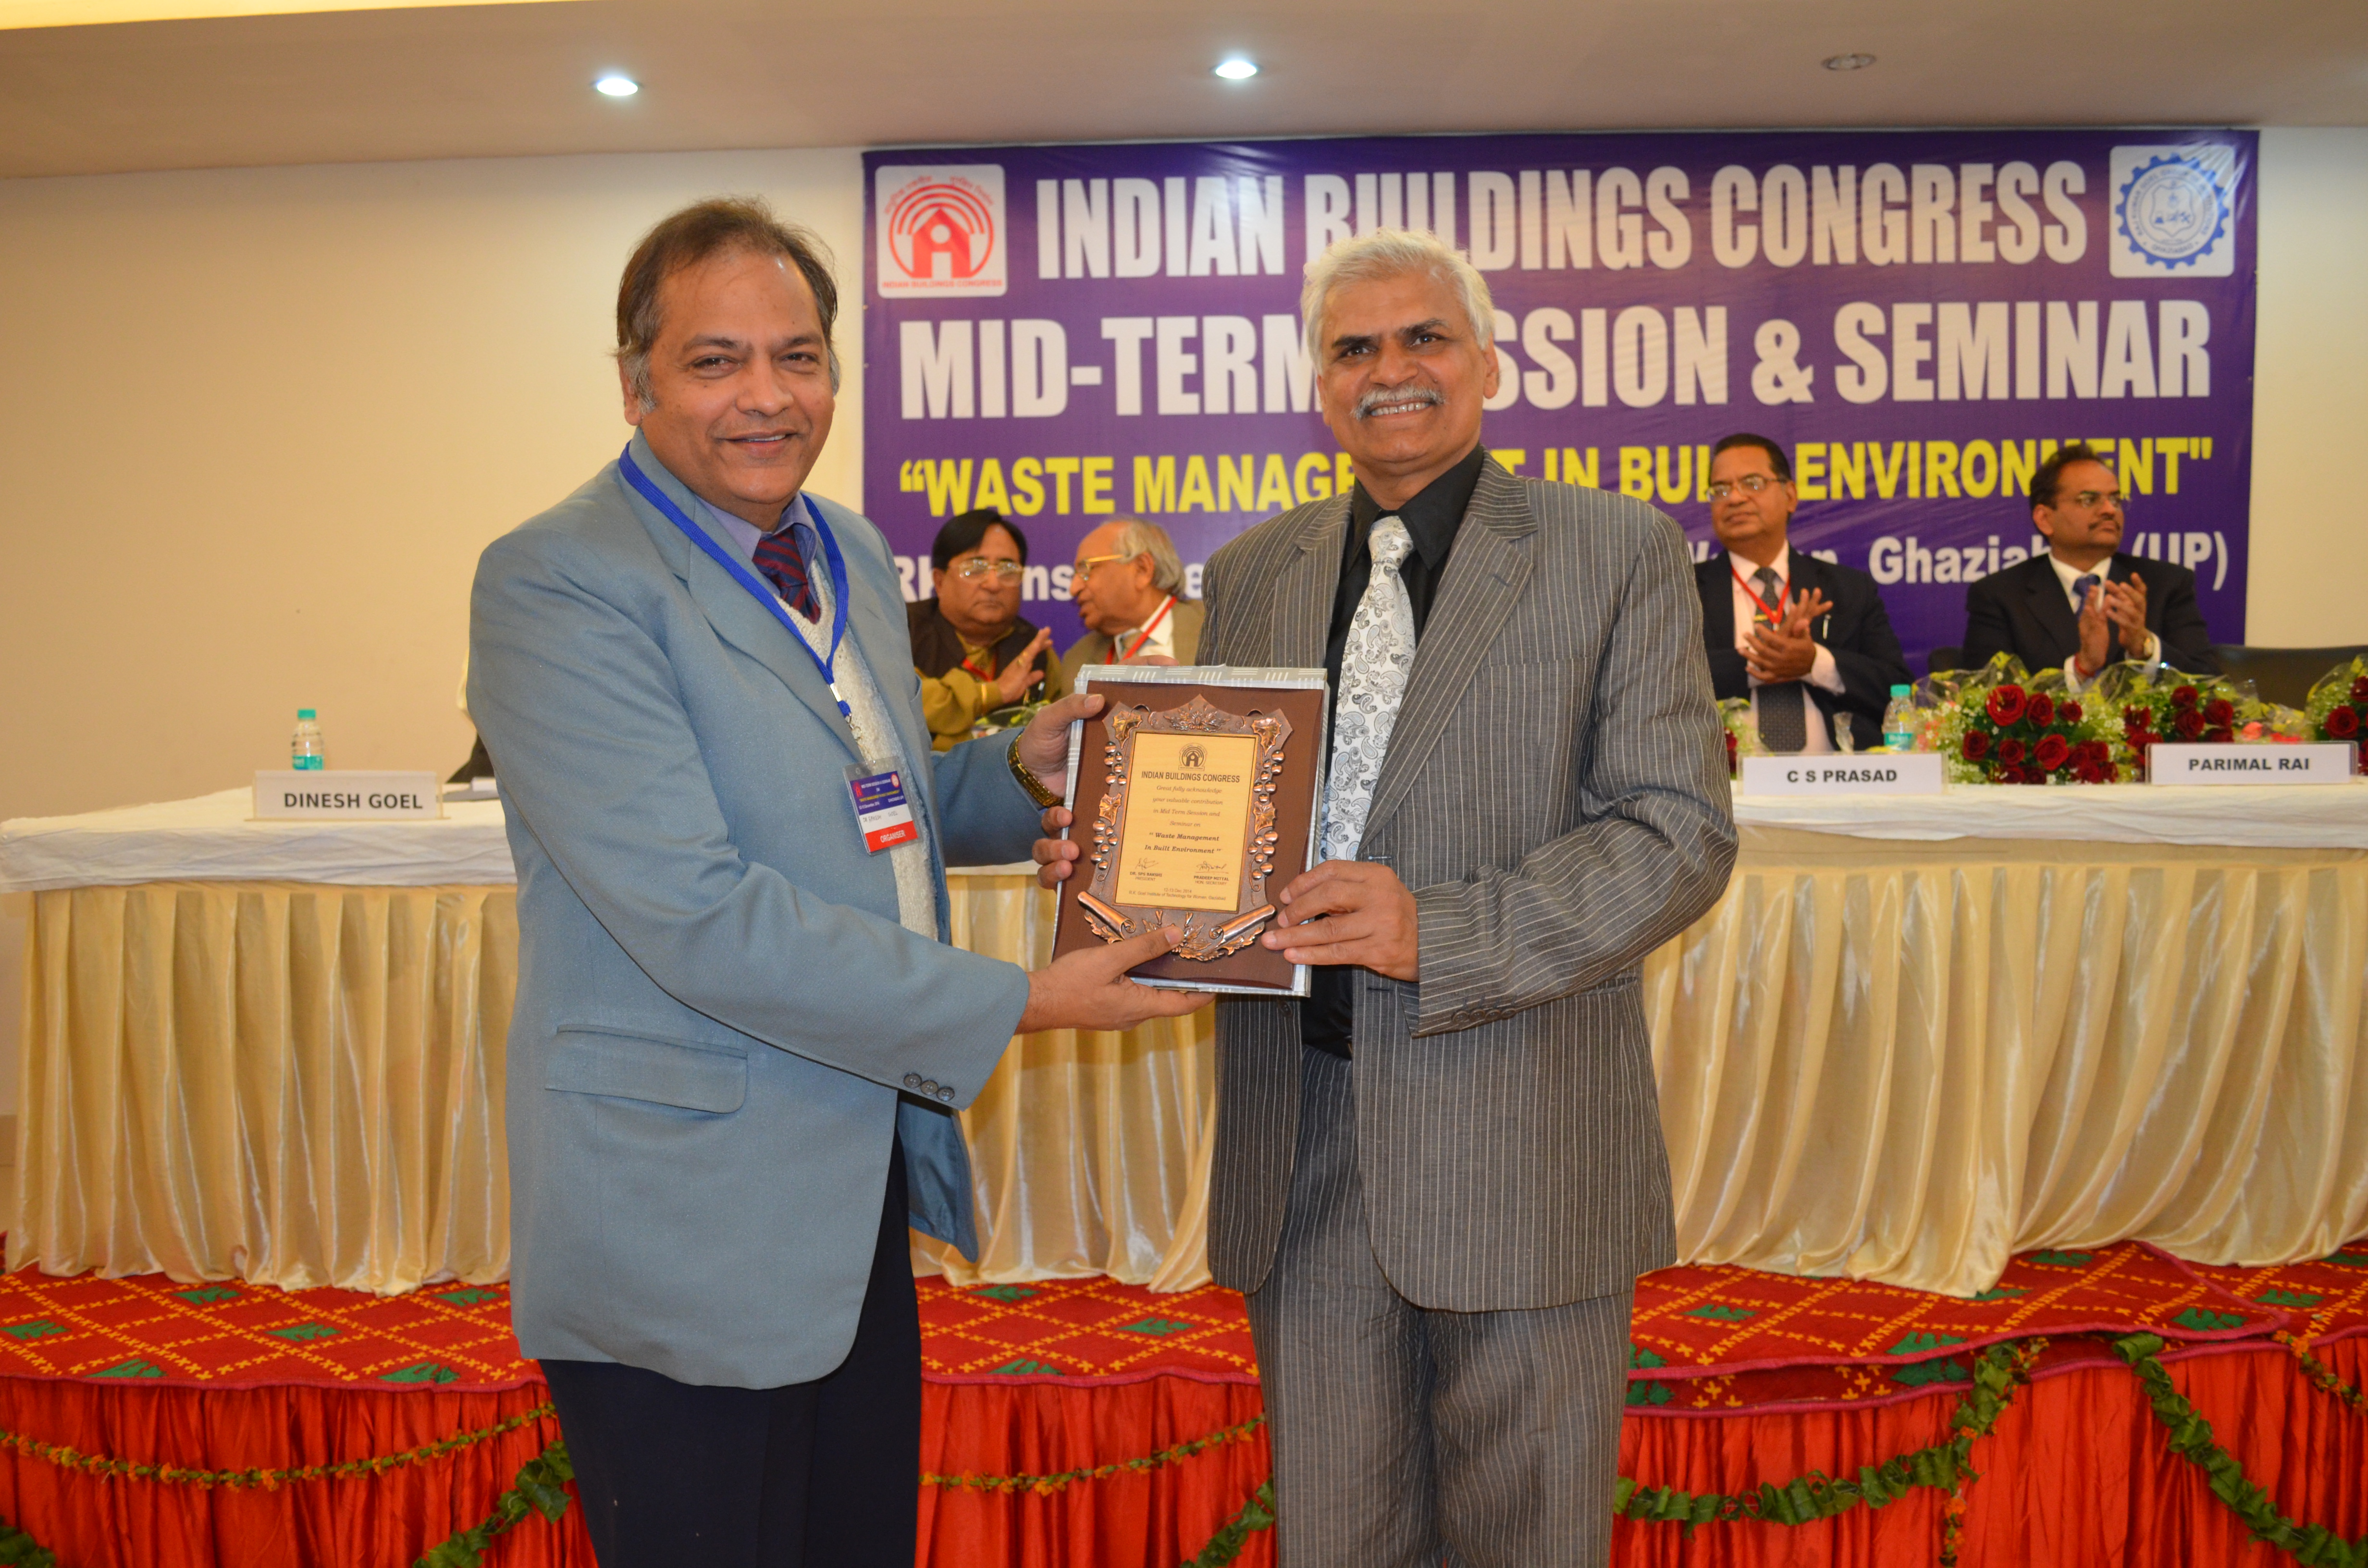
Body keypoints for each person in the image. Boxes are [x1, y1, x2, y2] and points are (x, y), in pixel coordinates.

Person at [466, 198, 1205, 1568]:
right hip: (683, 1215)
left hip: (847, 1177)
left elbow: (869, 803)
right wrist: (1023, 1000)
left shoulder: (847, 548)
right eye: (716, 361)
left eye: (797, 356)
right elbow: (697, 912)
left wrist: (1022, 769)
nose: (767, 395)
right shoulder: (559, 581)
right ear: (634, 382)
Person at [1037, 228, 1735, 1567]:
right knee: (1337, 1540)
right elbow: (1231, 816)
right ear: (1320, 384)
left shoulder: (1616, 549)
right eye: (1353, 347)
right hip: (1302, 1139)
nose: (1390, 369)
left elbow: (1678, 833)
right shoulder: (1257, 570)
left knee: (1531, 1540)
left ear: (1489, 363)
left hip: (1519, 1131)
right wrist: (1112, 862)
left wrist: (1441, 930)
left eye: (1424, 338)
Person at [1695, 433, 1911, 751]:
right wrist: (1762, 663)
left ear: (1791, 496)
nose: (1735, 498)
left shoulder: (1848, 589)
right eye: (1721, 490)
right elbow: (1656, 685)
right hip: (1723, 778)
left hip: (1836, 775)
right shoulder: (1681, 591)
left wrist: (1814, 662)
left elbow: (1897, 690)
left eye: (1752, 484)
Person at [1961, 441, 2219, 684]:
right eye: (2089, 500)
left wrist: (2146, 649)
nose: (2109, 510)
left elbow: (2209, 686)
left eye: (2115, 500)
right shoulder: (2000, 596)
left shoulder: (2165, 584)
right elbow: (1987, 696)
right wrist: (2080, 669)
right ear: (2045, 519)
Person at [907, 508, 1063, 750]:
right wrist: (993, 693)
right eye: (975, 569)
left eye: (1008, 571)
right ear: (940, 581)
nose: (993, 584)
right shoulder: (904, 630)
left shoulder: (1036, 651)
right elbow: (903, 706)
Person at [1058, 518, 1204, 681]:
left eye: (1086, 570)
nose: (1073, 589)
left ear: (1142, 569)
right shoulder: (1077, 661)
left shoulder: (1216, 629)